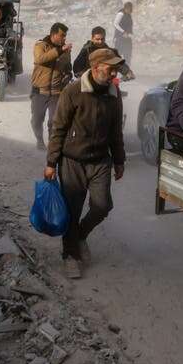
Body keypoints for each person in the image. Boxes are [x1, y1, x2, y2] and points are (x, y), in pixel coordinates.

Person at [45, 47, 127, 279]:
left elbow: (116, 131)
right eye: (110, 69)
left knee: (102, 206)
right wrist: (51, 162)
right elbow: (58, 128)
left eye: (115, 69)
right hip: (72, 161)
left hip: (101, 160)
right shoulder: (73, 91)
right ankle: (70, 255)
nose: (114, 74)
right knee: (72, 209)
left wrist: (119, 160)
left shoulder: (114, 94)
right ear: (95, 68)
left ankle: (79, 236)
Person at [31, 23, 73, 150]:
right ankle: (39, 140)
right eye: (62, 36)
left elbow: (67, 67)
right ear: (53, 35)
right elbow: (40, 59)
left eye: (65, 36)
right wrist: (60, 51)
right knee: (36, 120)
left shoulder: (64, 50)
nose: (64, 39)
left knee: (54, 121)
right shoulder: (41, 45)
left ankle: (52, 145)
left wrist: (68, 75)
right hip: (39, 91)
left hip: (56, 92)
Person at [113, 2, 134, 66]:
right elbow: (115, 24)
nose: (131, 11)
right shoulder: (120, 14)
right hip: (120, 38)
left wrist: (130, 34)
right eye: (130, 9)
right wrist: (123, 32)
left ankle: (127, 72)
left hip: (127, 38)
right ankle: (114, 71)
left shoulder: (128, 15)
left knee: (128, 55)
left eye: (131, 9)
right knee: (117, 55)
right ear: (126, 8)